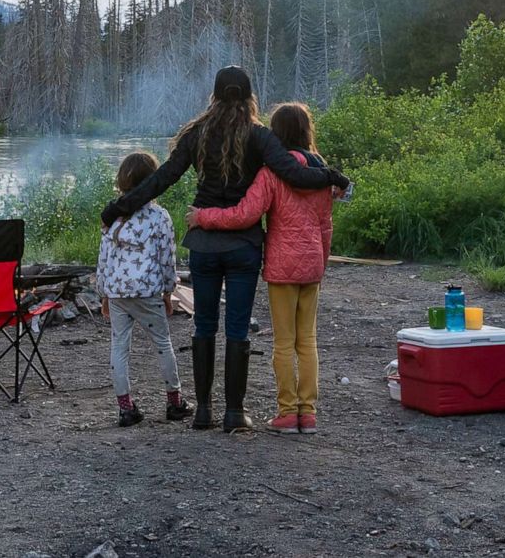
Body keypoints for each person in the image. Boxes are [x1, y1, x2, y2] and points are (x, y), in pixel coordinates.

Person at [101, 66, 350, 432]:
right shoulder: (260, 136)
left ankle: (203, 411)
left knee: (203, 325)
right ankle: (234, 412)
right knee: (237, 329)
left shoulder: (197, 134)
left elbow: (160, 179)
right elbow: (294, 174)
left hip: (204, 245)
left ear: (214, 97)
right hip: (243, 246)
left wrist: (120, 206)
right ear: (250, 97)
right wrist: (331, 176)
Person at [187, 103, 334, 435]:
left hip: (282, 268)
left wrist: (203, 217)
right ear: (307, 130)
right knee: (307, 340)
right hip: (311, 265)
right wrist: (320, 261)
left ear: (276, 134)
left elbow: (245, 214)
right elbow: (326, 226)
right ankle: (307, 413)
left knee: (284, 342)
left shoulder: (272, 174)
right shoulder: (322, 174)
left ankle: (286, 412)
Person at [96, 151, 192, 427]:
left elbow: (103, 258)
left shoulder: (113, 217)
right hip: (147, 291)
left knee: (119, 347)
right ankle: (175, 402)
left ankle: (126, 408)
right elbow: (166, 257)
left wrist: (104, 293)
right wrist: (168, 291)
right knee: (162, 343)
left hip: (116, 292)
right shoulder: (159, 217)